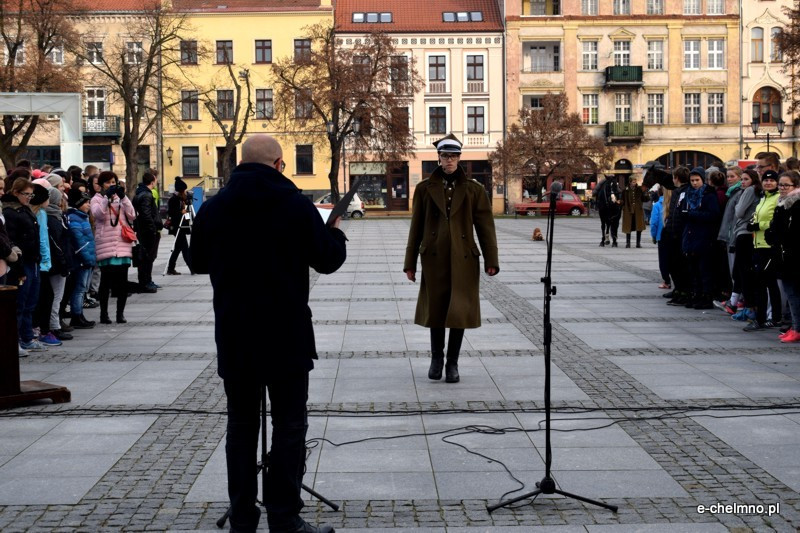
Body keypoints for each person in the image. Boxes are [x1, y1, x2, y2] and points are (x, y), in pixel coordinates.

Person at [192, 135, 345, 533]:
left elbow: (196, 261)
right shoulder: (296, 205)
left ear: (240, 164)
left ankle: (243, 515)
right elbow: (328, 260)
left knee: (241, 427)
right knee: (290, 425)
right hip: (286, 334)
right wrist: (337, 232)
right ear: (278, 164)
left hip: (236, 333)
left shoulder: (214, 207)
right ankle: (284, 516)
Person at [404, 133, 499, 383]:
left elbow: (485, 227)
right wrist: (410, 263)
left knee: (459, 311)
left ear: (459, 158)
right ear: (439, 157)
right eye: (445, 156)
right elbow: (416, 227)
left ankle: (452, 363)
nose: (449, 161)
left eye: (454, 156)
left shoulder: (474, 190)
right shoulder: (424, 189)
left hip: (464, 258)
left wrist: (491, 260)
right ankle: (437, 359)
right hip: (434, 259)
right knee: (436, 310)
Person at [2, 179, 46, 352]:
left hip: (32, 260)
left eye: (31, 195)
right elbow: (12, 240)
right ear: (16, 193)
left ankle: (27, 337)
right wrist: (19, 266)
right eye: (26, 194)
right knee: (20, 303)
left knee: (30, 302)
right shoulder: (10, 212)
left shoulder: (24, 209)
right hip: (22, 262)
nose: (29, 198)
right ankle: (17, 340)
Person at [91, 171, 136, 324]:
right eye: (108, 182)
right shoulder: (96, 199)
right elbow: (99, 215)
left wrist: (123, 197)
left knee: (122, 282)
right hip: (105, 245)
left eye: (113, 182)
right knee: (106, 281)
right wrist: (106, 198)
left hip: (122, 244)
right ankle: (104, 314)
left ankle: (120, 314)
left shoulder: (120, 198)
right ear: (102, 184)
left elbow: (132, 215)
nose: (111, 185)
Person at [744, 170, 781, 331]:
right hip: (758, 244)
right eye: (766, 181)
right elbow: (758, 216)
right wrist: (753, 223)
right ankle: (766, 317)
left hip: (769, 246)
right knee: (762, 283)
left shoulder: (777, 198)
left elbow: (775, 222)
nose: (768, 183)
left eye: (772, 181)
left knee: (766, 283)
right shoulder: (763, 198)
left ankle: (770, 318)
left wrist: (759, 225)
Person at [765, 171, 800, 342]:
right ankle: (795, 326)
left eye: (786, 185)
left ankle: (797, 328)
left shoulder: (796, 204)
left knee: (794, 294)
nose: (782, 188)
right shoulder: (782, 203)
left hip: (792, 256)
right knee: (790, 293)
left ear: (795, 186)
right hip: (783, 254)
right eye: (781, 185)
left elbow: (790, 232)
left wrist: (776, 235)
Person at [681, 167, 720, 310]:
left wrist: (693, 214)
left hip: (704, 236)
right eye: (692, 180)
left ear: (703, 180)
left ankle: (706, 297)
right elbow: (683, 212)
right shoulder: (688, 194)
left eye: (697, 180)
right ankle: (696, 295)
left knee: (704, 270)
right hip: (690, 235)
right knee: (693, 270)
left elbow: (713, 215)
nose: (694, 183)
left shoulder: (709, 194)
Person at [731, 170, 762, 321]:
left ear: (753, 180)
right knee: (742, 272)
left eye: (746, 179)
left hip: (744, 232)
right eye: (742, 179)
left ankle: (750, 308)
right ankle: (745, 305)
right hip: (747, 233)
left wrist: (738, 206)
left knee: (743, 272)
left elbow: (739, 212)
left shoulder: (749, 191)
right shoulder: (755, 190)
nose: (742, 182)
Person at [714, 167, 744, 314]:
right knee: (733, 271)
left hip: (734, 236)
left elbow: (737, 216)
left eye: (733, 176)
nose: (729, 179)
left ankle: (738, 302)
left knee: (735, 271)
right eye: (728, 177)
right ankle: (735, 300)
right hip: (728, 235)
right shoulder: (731, 193)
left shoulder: (738, 193)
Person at [66, 189, 96, 329]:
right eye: (86, 202)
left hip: (88, 258)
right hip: (82, 260)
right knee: (79, 289)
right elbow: (79, 241)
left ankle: (79, 315)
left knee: (83, 289)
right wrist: (87, 258)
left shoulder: (82, 216)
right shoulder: (75, 218)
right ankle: (76, 316)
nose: (89, 205)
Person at [663, 166, 692, 306]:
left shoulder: (683, 192)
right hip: (674, 233)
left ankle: (683, 292)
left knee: (679, 266)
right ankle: (679, 290)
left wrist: (673, 231)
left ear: (677, 178)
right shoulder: (678, 191)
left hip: (678, 234)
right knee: (674, 265)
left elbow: (678, 214)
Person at [133, 173, 163, 292]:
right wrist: (152, 228)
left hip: (144, 230)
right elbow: (146, 214)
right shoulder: (146, 195)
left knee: (146, 257)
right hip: (147, 231)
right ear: (152, 181)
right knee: (147, 257)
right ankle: (146, 282)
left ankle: (147, 280)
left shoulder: (141, 192)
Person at [166, 177, 193, 275]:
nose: (185, 192)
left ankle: (170, 268)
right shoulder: (174, 200)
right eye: (184, 190)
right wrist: (181, 212)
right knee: (185, 248)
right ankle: (192, 268)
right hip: (176, 227)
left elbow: (186, 214)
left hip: (182, 227)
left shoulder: (182, 200)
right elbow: (171, 213)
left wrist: (187, 206)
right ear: (181, 191)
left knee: (177, 248)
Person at [649, 187, 670, 289]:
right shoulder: (673, 203)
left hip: (661, 236)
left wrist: (653, 235)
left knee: (663, 260)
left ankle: (666, 281)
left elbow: (654, 223)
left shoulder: (657, 205)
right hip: (673, 235)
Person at [595, 174, 621, 247]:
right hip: (603, 206)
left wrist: (618, 202)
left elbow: (619, 193)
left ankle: (614, 239)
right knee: (603, 223)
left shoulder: (615, 186)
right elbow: (596, 191)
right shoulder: (603, 184)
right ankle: (604, 237)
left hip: (614, 207)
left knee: (614, 223)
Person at [621, 175, 647, 248]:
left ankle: (638, 243)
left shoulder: (639, 189)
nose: (634, 183)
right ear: (630, 182)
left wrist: (646, 192)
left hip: (637, 211)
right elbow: (622, 200)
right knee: (628, 227)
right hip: (628, 211)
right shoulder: (625, 190)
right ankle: (628, 243)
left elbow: (644, 199)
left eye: (635, 182)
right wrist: (620, 202)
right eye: (633, 182)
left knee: (639, 227)